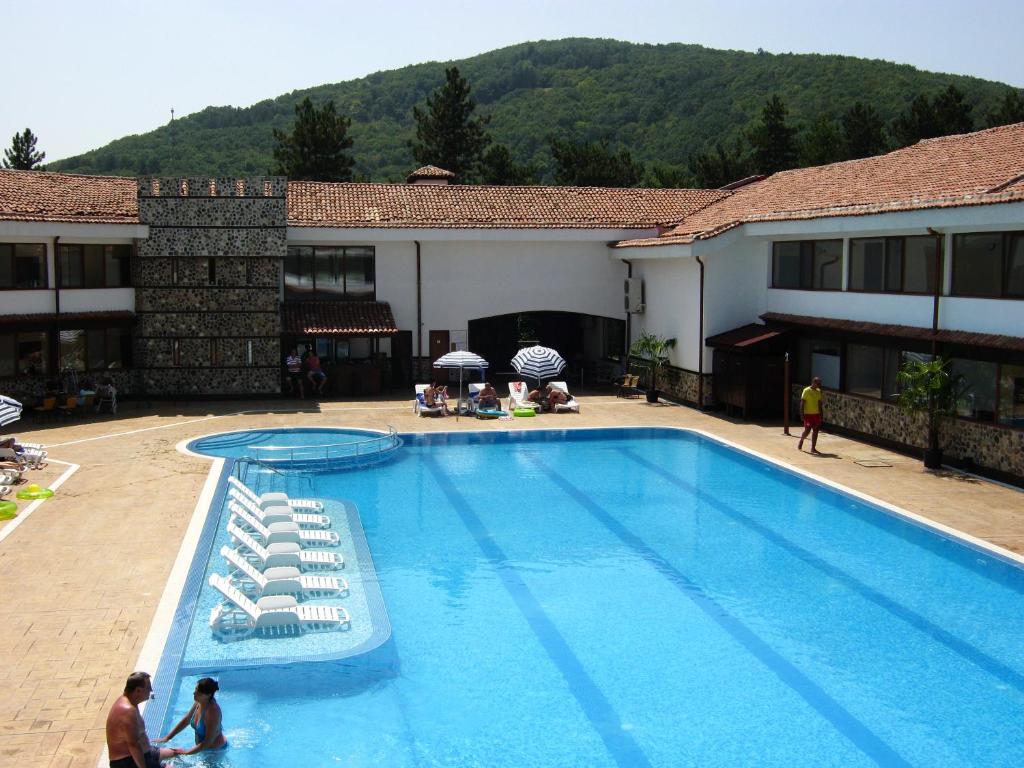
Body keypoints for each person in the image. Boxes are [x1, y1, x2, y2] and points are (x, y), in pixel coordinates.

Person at [105, 671, 179, 768]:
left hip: (145, 752)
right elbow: (133, 746)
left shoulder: (131, 701)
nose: (151, 690)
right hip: (127, 762)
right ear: (138, 691)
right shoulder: (127, 711)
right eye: (148, 688)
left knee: (177, 752)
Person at [154, 677, 228, 756]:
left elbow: (208, 742)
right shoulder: (199, 701)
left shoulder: (212, 712)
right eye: (195, 689)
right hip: (202, 748)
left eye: (198, 692)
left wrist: (186, 752)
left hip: (214, 752)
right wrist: (168, 737)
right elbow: (187, 719)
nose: (194, 693)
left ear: (208, 695)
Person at [798, 376, 825, 454]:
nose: (819, 385)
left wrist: (821, 415)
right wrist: (802, 414)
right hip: (807, 414)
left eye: (819, 384)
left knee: (816, 430)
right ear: (813, 383)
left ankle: (813, 448)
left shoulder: (818, 391)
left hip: (816, 414)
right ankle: (802, 439)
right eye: (818, 384)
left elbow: (819, 404)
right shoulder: (806, 391)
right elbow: (802, 403)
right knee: (808, 430)